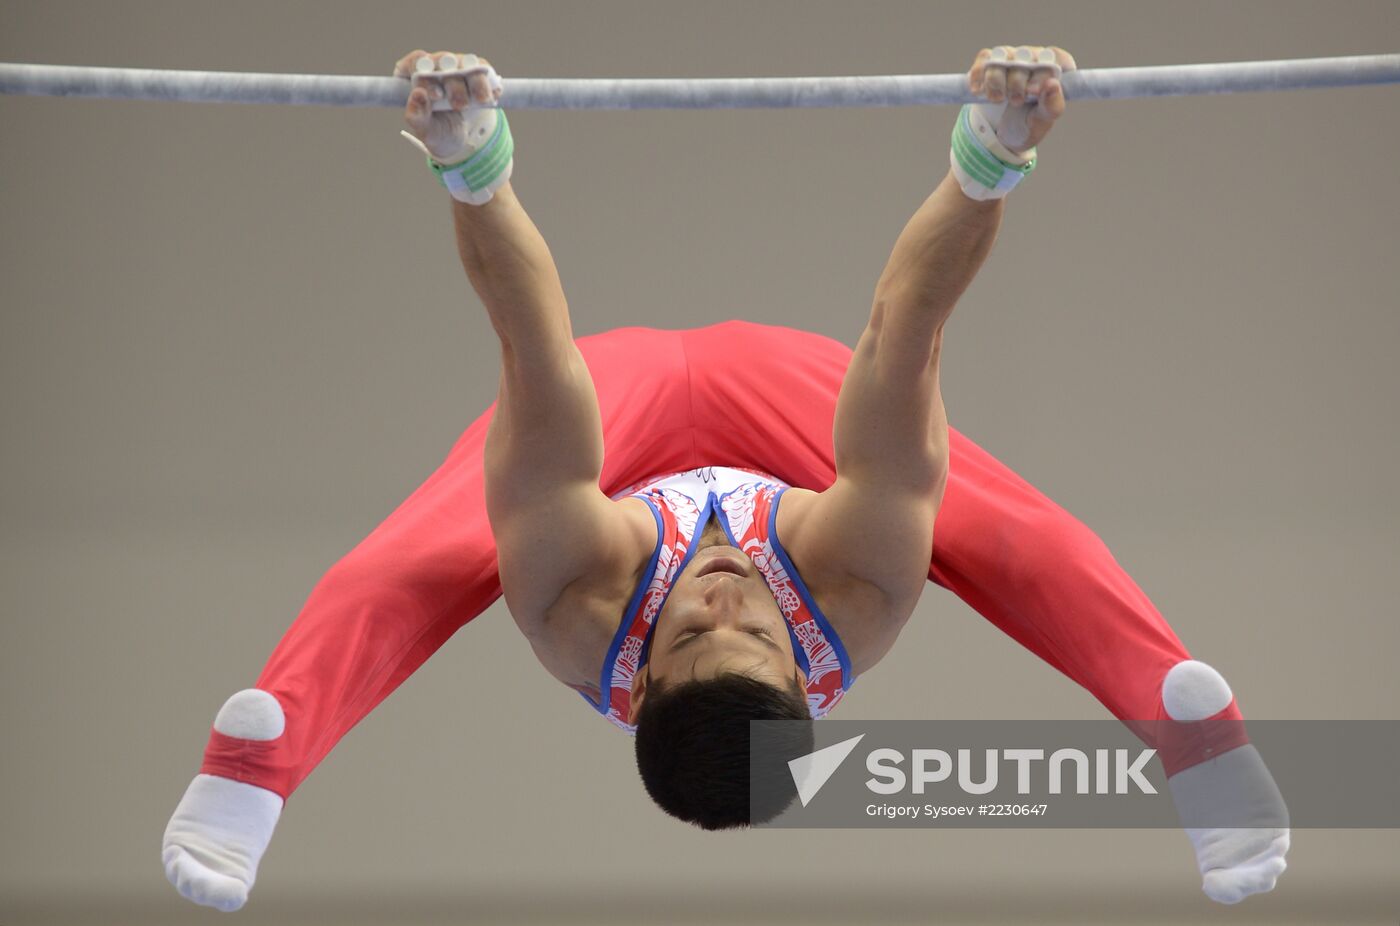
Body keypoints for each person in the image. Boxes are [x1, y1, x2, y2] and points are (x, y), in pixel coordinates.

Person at [162, 45, 1288, 912]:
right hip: (783, 408)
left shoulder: (580, 608)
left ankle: (251, 763)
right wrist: (990, 155)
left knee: (411, 562)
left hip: (626, 407)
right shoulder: (851, 593)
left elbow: (532, 352)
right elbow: (907, 335)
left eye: (689, 635)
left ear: (639, 682)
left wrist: (473, 169)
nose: (717, 598)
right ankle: (1198, 737)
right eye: (749, 631)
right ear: (804, 665)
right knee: (1013, 538)